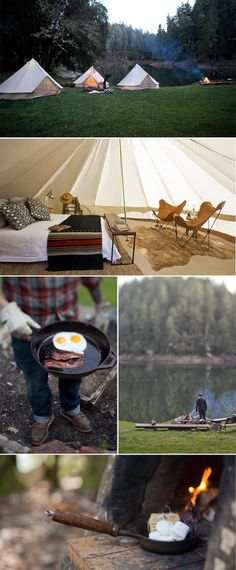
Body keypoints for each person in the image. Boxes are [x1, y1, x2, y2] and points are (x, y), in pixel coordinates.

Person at [0, 277, 93, 446]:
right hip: (27, 327)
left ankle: (71, 409)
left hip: (67, 328)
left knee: (73, 375)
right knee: (35, 381)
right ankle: (42, 417)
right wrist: (6, 309)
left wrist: (100, 302)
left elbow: (90, 275)